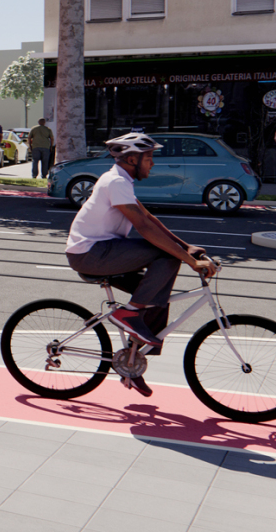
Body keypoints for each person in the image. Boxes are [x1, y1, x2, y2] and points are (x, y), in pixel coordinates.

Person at [64, 132, 217, 397]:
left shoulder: (121, 180)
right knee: (166, 257)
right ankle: (129, 313)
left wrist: (186, 246)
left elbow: (148, 217)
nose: (153, 164)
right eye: (149, 158)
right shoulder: (115, 182)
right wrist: (189, 260)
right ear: (132, 159)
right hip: (90, 253)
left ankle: (132, 365)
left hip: (103, 251)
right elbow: (144, 227)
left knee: (158, 298)